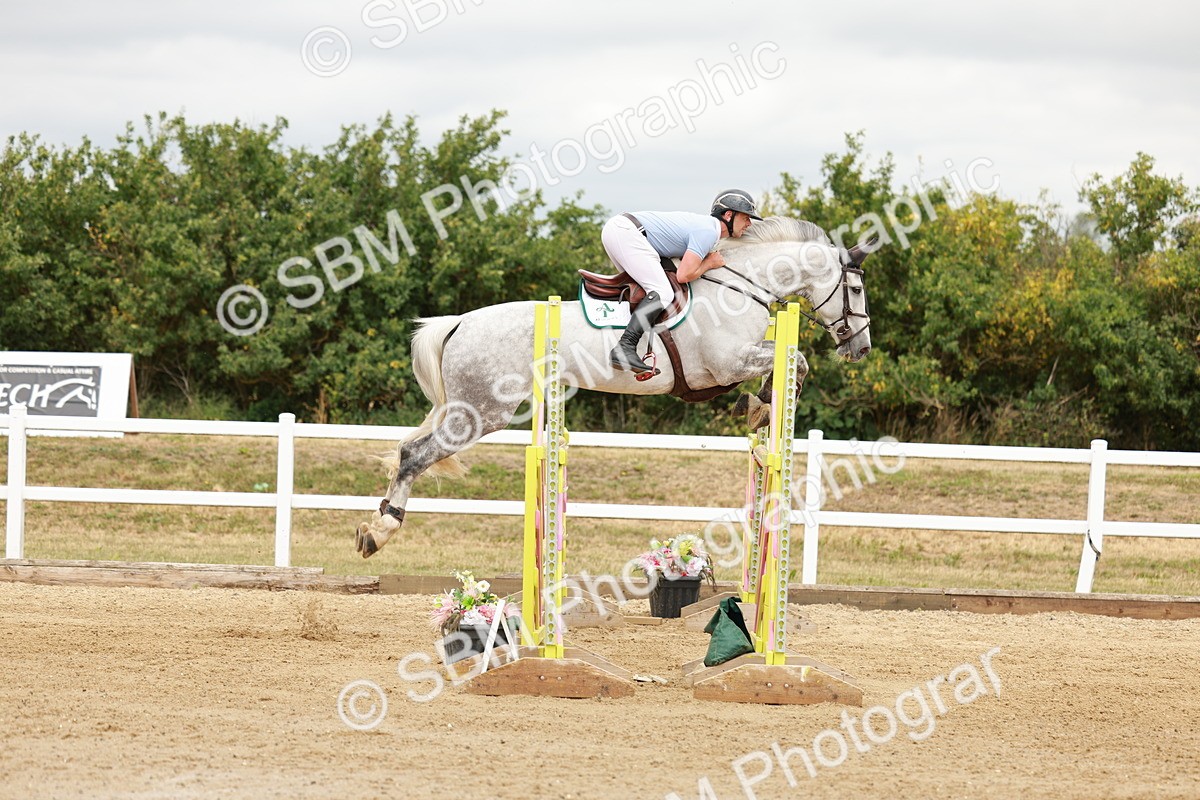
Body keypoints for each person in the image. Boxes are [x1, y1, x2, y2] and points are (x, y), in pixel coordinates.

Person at [604, 189, 763, 373]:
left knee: (648, 291)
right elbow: (683, 275)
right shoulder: (708, 232)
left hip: (622, 231)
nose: (749, 224)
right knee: (662, 291)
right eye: (746, 218)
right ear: (729, 215)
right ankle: (625, 347)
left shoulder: (707, 229)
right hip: (626, 233)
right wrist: (709, 263)